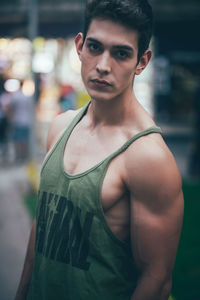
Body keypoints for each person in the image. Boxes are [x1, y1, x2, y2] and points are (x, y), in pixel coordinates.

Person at [15, 0, 184, 299]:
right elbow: (42, 227)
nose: (103, 65)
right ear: (79, 46)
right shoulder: (60, 127)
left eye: (121, 53)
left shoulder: (147, 156)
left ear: (142, 62)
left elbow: (156, 280)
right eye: (95, 47)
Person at [10, 81, 33, 163]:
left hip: (17, 120)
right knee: (25, 140)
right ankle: (24, 155)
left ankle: (18, 156)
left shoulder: (15, 97)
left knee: (17, 140)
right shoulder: (26, 97)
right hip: (26, 121)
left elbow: (11, 109)